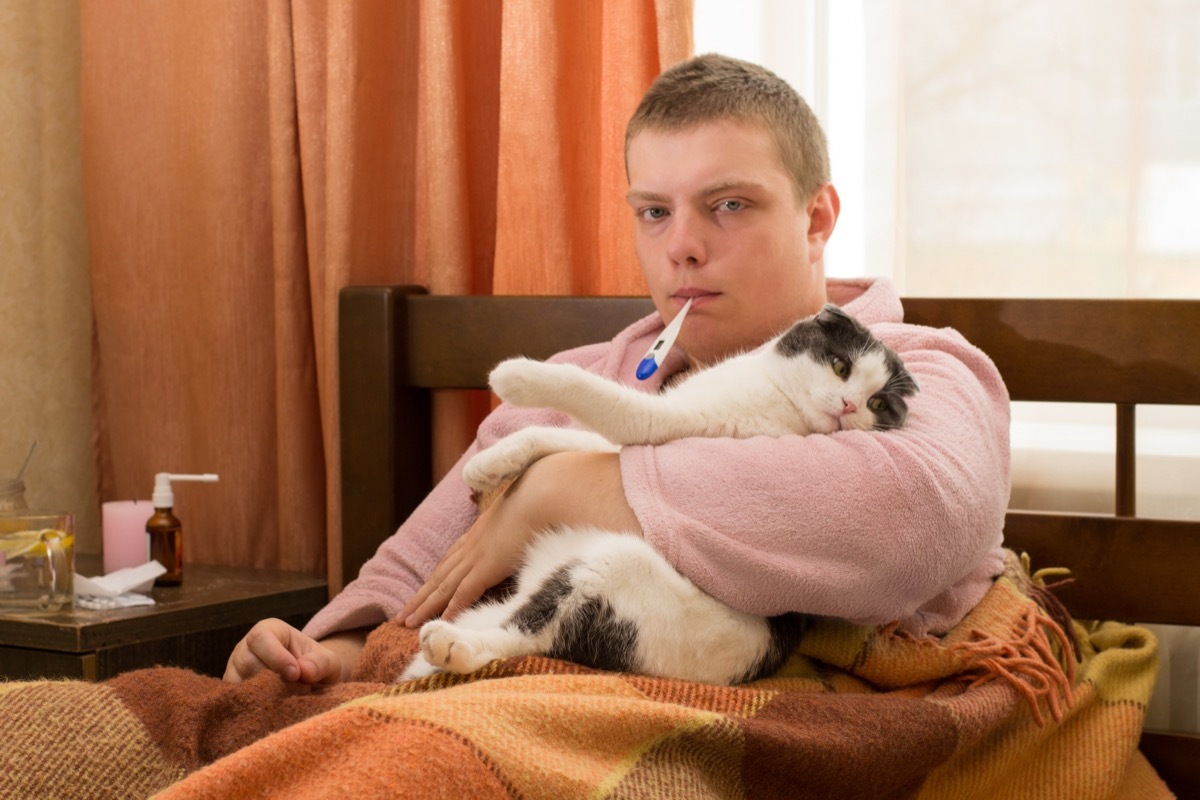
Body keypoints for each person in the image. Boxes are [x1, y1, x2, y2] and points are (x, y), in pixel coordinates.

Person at [224, 53, 1010, 687]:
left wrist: (570, 490)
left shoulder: (925, 369)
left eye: (729, 205)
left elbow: (908, 516)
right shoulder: (580, 381)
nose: (682, 247)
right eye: (654, 211)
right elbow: (428, 566)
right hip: (528, 692)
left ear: (816, 218)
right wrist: (333, 650)